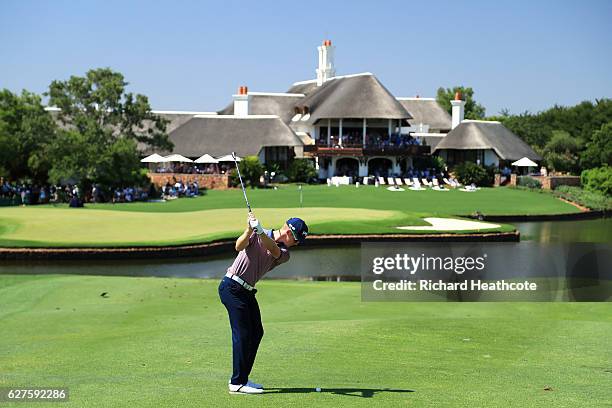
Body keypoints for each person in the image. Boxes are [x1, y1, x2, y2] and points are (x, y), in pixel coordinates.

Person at [219, 213, 308, 395]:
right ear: (290, 233)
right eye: (297, 240)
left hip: (246, 291)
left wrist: (259, 231)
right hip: (232, 287)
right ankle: (237, 383)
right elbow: (238, 246)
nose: (297, 244)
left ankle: (242, 377)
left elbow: (273, 250)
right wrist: (249, 229)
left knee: (256, 332)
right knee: (243, 334)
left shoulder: (285, 254)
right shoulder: (259, 233)